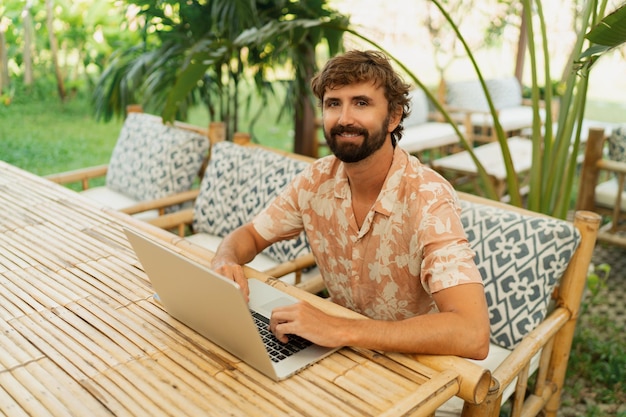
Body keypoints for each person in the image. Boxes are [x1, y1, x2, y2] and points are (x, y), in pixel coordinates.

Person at [211, 50, 490, 359]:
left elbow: (472, 333)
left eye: (361, 103)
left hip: (414, 361)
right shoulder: (316, 179)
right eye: (333, 104)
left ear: (393, 117)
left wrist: (341, 329)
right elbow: (250, 235)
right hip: (336, 351)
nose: (344, 119)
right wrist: (225, 260)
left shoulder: (427, 196)